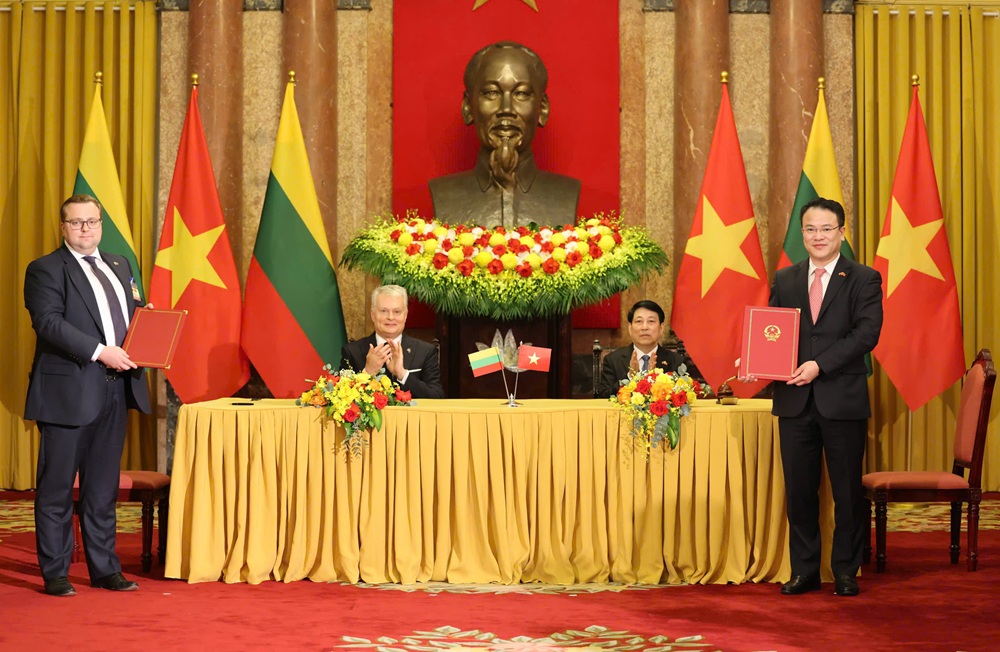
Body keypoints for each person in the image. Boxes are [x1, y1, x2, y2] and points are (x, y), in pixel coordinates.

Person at [741, 197, 883, 597]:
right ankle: (804, 570)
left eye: (826, 229)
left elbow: (866, 334)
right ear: (801, 233)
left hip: (842, 400)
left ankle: (845, 571)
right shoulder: (786, 278)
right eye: (810, 229)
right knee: (799, 491)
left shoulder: (864, 278)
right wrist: (755, 359)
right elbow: (773, 331)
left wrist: (819, 365)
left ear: (841, 232)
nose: (818, 236)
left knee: (846, 492)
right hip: (794, 402)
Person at [23, 194, 151, 597]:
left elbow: (129, 317)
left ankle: (104, 569)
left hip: (116, 390)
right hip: (68, 393)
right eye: (76, 222)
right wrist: (99, 351)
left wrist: (149, 325)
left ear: (100, 224)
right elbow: (48, 322)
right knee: (57, 488)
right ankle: (56, 573)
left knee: (101, 489)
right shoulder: (45, 269)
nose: (85, 229)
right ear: (63, 226)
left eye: (92, 221)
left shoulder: (120, 265)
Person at [428, 41, 580, 228]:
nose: (506, 109)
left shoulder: (567, 194)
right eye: (491, 93)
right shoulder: (443, 194)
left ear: (542, 109)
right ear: (468, 107)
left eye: (521, 94)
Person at [340, 285, 445, 399]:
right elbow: (340, 398)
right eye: (384, 311)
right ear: (373, 315)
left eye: (397, 312)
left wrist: (402, 374)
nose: (390, 317)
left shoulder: (425, 351)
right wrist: (367, 373)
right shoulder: (352, 351)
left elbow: (437, 397)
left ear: (405, 315)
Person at [596, 300, 685, 398]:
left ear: (661, 328)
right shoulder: (613, 360)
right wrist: (630, 377)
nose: (644, 327)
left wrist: (655, 380)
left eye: (651, 321)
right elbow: (602, 396)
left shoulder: (676, 361)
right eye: (639, 321)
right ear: (630, 328)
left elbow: (682, 396)